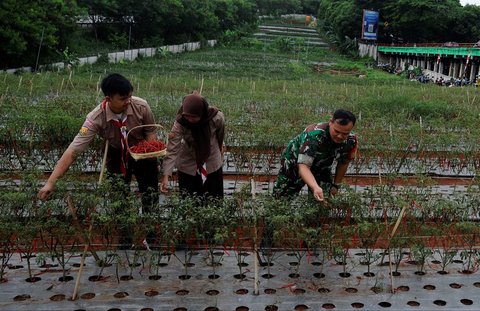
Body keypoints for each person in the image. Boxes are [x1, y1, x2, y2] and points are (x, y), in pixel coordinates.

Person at [38, 73, 159, 213]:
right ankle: (124, 232)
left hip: (142, 150)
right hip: (116, 153)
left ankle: (151, 231)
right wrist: (51, 182)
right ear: (108, 99)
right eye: (123, 99)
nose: (128, 101)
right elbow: (74, 149)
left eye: (130, 96)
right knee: (118, 196)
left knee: (150, 193)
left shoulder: (141, 106)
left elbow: (150, 131)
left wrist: (150, 153)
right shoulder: (95, 118)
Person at [273, 109, 358, 202]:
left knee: (322, 199)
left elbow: (344, 163)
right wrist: (315, 187)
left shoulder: (351, 140)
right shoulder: (314, 135)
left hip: (322, 165)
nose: (340, 136)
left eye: (345, 133)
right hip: (294, 163)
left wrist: (336, 185)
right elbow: (303, 167)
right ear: (330, 122)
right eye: (336, 131)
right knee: (282, 198)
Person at [160, 91, 225, 198]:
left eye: (193, 117)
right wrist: (166, 175)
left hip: (211, 161)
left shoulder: (216, 117)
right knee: (189, 200)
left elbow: (220, 134)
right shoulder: (180, 123)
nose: (189, 120)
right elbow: (172, 149)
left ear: (201, 113)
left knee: (214, 199)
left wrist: (220, 146)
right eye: (187, 116)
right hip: (189, 163)